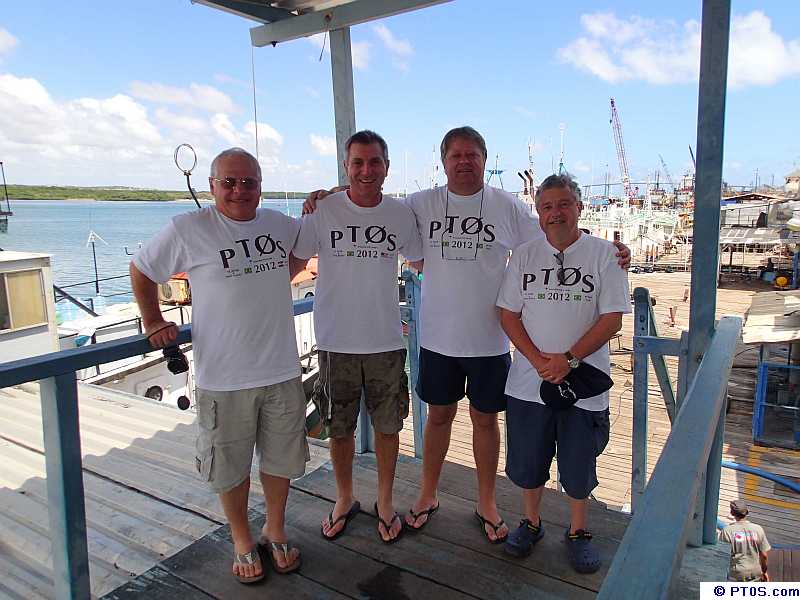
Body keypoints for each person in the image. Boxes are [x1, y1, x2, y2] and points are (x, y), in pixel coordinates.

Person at [305, 127, 630, 544]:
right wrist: (327, 194)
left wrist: (613, 251)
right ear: (444, 161)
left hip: (490, 339)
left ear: (483, 158)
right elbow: (369, 200)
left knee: (485, 420)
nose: (464, 161)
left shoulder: (506, 205)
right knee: (437, 416)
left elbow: (557, 233)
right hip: (437, 337)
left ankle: (487, 502)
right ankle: (426, 495)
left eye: (472, 155)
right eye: (456, 155)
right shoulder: (419, 204)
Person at [130, 147, 308, 584]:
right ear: (212, 186)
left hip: (282, 369)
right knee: (229, 465)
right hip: (223, 376)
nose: (238, 190)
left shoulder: (279, 225)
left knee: (281, 461)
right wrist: (153, 319)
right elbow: (142, 268)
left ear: (260, 187)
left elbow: (301, 253)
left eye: (248, 182)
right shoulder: (189, 229)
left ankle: (276, 528)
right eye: (228, 182)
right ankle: (243, 538)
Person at [293, 130, 423, 544]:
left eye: (374, 163)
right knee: (340, 427)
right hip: (335, 340)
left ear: (387, 167)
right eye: (357, 163)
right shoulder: (323, 210)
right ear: (346, 167)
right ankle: (344, 497)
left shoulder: (400, 214)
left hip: (384, 340)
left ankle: (384, 501)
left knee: (388, 427)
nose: (366, 170)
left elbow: (423, 262)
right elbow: (291, 263)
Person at [496, 173, 630, 573]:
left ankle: (577, 530)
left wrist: (568, 359)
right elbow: (508, 315)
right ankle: (532, 522)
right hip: (528, 382)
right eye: (547, 206)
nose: (556, 213)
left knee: (578, 463)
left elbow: (612, 321)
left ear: (579, 207)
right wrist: (539, 360)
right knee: (529, 460)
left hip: (583, 383)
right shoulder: (523, 256)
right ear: (538, 213)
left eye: (564, 204)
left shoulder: (606, 254)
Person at [720, 500, 771, 582]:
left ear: (732, 513)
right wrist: (764, 572)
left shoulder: (727, 531)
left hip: (736, 576)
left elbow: (722, 556)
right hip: (755, 574)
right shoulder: (758, 529)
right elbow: (764, 555)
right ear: (747, 512)